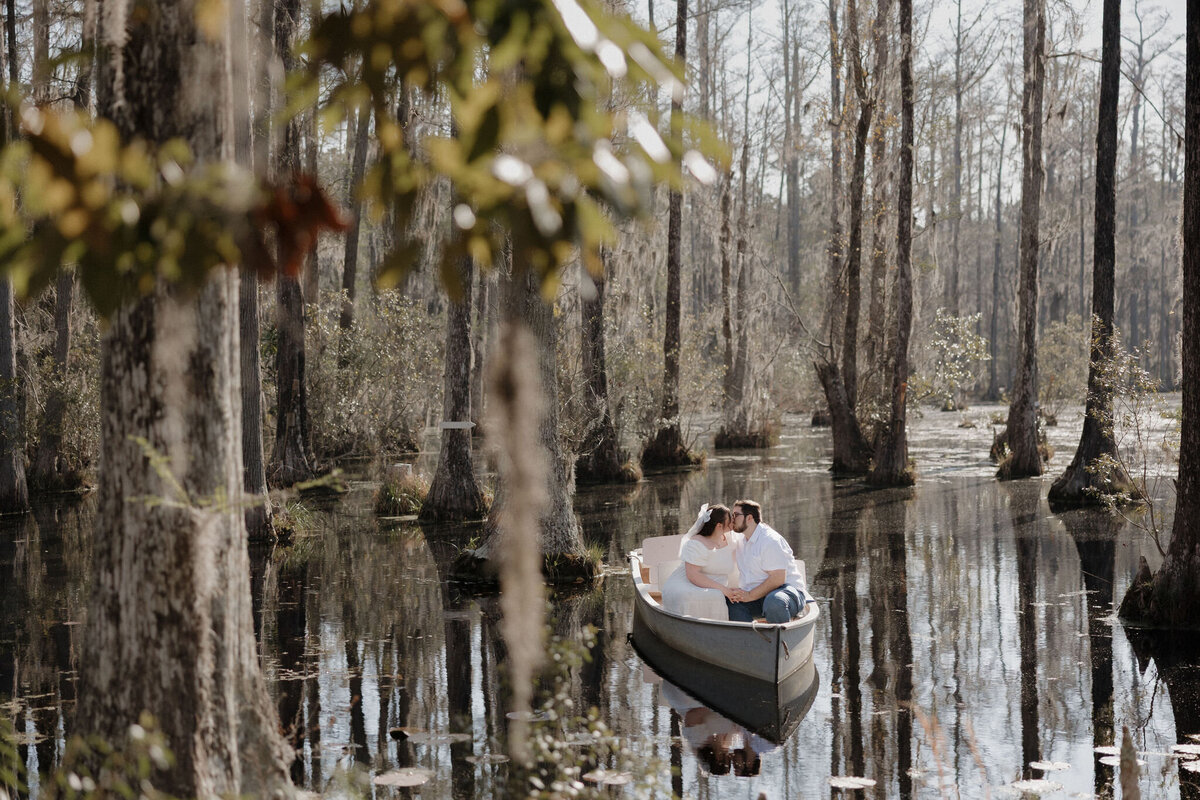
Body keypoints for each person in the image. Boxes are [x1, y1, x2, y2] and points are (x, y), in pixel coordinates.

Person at [725, 499, 809, 623]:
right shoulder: (741, 540)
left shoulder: (770, 540)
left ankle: (779, 635)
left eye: (736, 515)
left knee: (774, 602)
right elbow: (717, 530)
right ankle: (750, 633)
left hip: (786, 592)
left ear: (749, 518)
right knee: (730, 602)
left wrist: (750, 595)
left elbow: (778, 579)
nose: (732, 519)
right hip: (758, 596)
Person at [661, 503, 741, 620]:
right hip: (688, 582)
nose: (732, 522)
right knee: (711, 595)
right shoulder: (696, 543)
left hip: (715, 585)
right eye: (729, 520)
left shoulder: (730, 538)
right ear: (719, 525)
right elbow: (693, 575)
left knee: (716, 595)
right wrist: (724, 589)